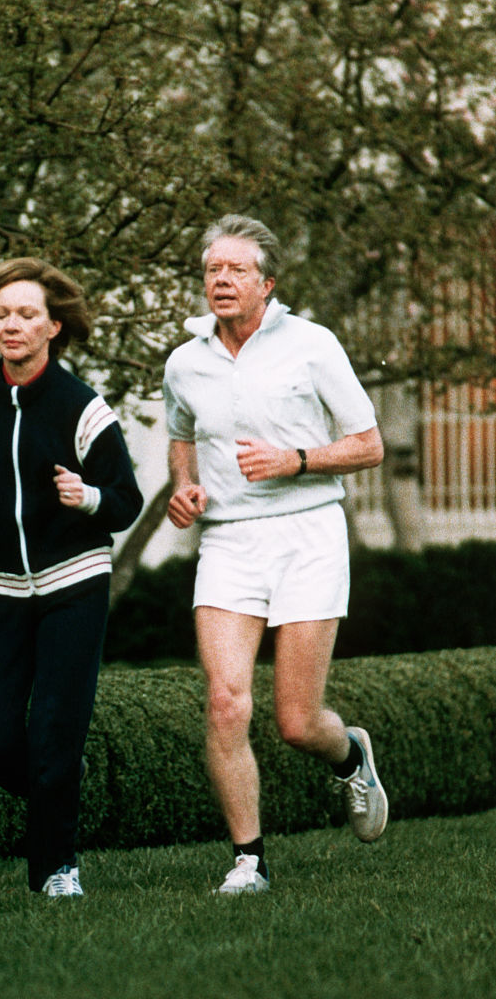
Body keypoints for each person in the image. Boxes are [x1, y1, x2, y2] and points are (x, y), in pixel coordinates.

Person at [163, 214, 388, 895]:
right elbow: (179, 433)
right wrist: (183, 489)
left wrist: (294, 460)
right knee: (226, 703)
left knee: (295, 722)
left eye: (235, 270)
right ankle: (248, 860)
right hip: (229, 540)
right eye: (212, 270)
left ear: (267, 283)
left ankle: (349, 753)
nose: (221, 280)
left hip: (308, 532)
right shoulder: (184, 360)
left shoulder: (312, 345)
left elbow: (368, 444)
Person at [0, 257, 143, 898]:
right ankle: (61, 782)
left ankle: (57, 869)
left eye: (26, 314)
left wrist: (87, 499)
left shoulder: (82, 407)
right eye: (1, 314)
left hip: (73, 585)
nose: (11, 325)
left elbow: (127, 501)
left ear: (54, 326)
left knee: (54, 729)